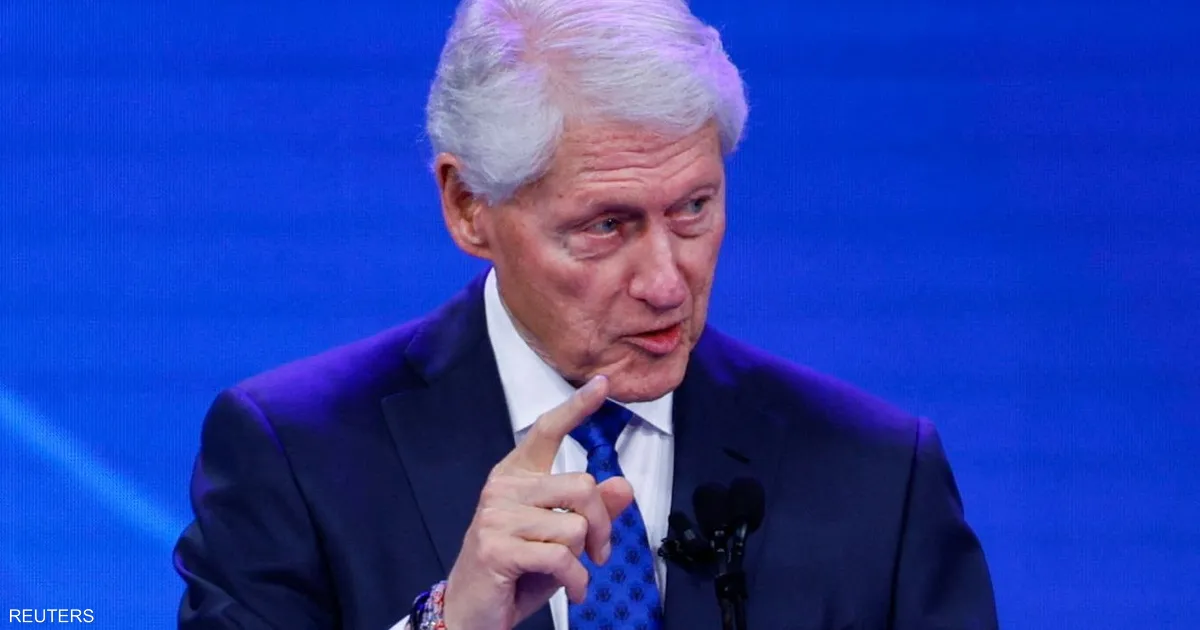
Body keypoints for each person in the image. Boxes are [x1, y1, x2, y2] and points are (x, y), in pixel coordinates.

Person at [173, 0, 999, 628]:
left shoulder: (877, 474)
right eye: (607, 225)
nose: (668, 283)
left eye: (694, 208)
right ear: (468, 207)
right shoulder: (295, 455)